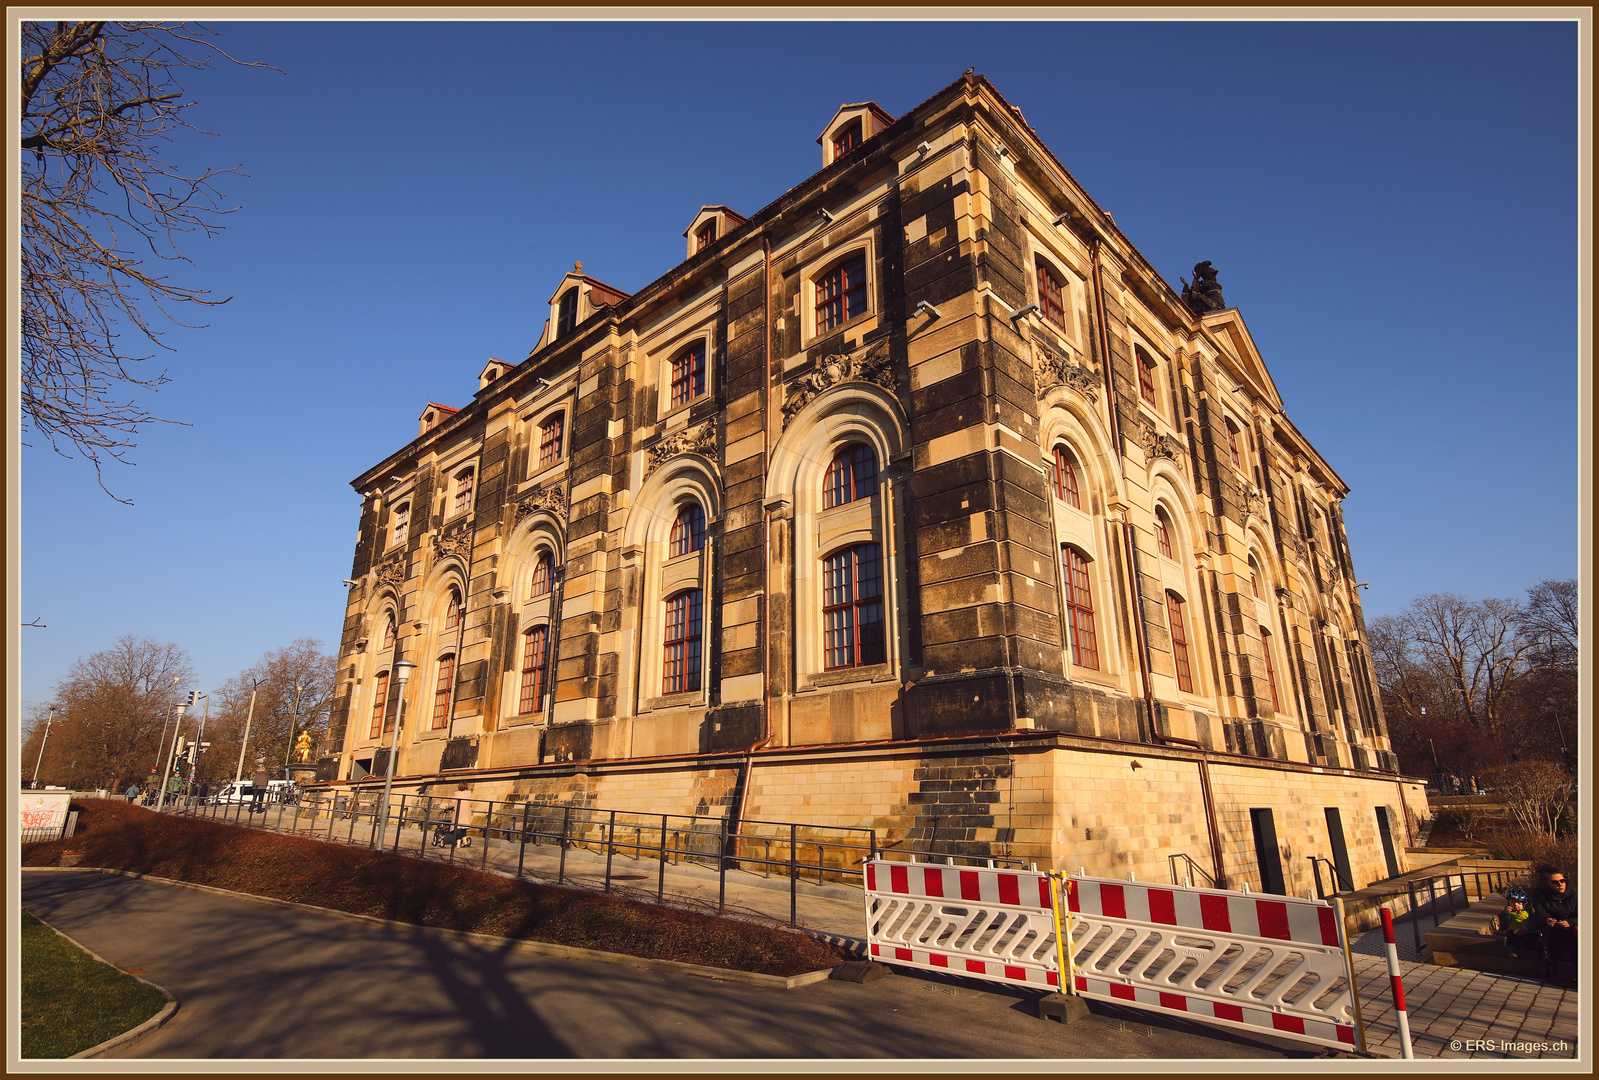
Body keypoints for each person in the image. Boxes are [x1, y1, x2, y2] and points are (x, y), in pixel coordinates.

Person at [1529, 864, 1578, 984]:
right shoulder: (1539, 893)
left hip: (1572, 926)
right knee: (1549, 937)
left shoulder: (1574, 894)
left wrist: (1570, 922)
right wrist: (1547, 919)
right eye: (1555, 882)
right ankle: (1554, 974)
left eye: (1562, 881)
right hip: (1552, 926)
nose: (1560, 884)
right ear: (1547, 883)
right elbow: (1540, 912)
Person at [1492, 887, 1540, 958]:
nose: (1515, 905)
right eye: (1512, 902)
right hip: (1514, 931)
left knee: (1531, 939)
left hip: (1527, 931)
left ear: (1523, 905)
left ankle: (1532, 953)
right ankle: (1512, 951)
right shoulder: (1510, 913)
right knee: (1511, 938)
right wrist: (1507, 913)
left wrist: (1528, 927)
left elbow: (1535, 922)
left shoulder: (1528, 913)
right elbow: (1505, 920)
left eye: (1518, 903)